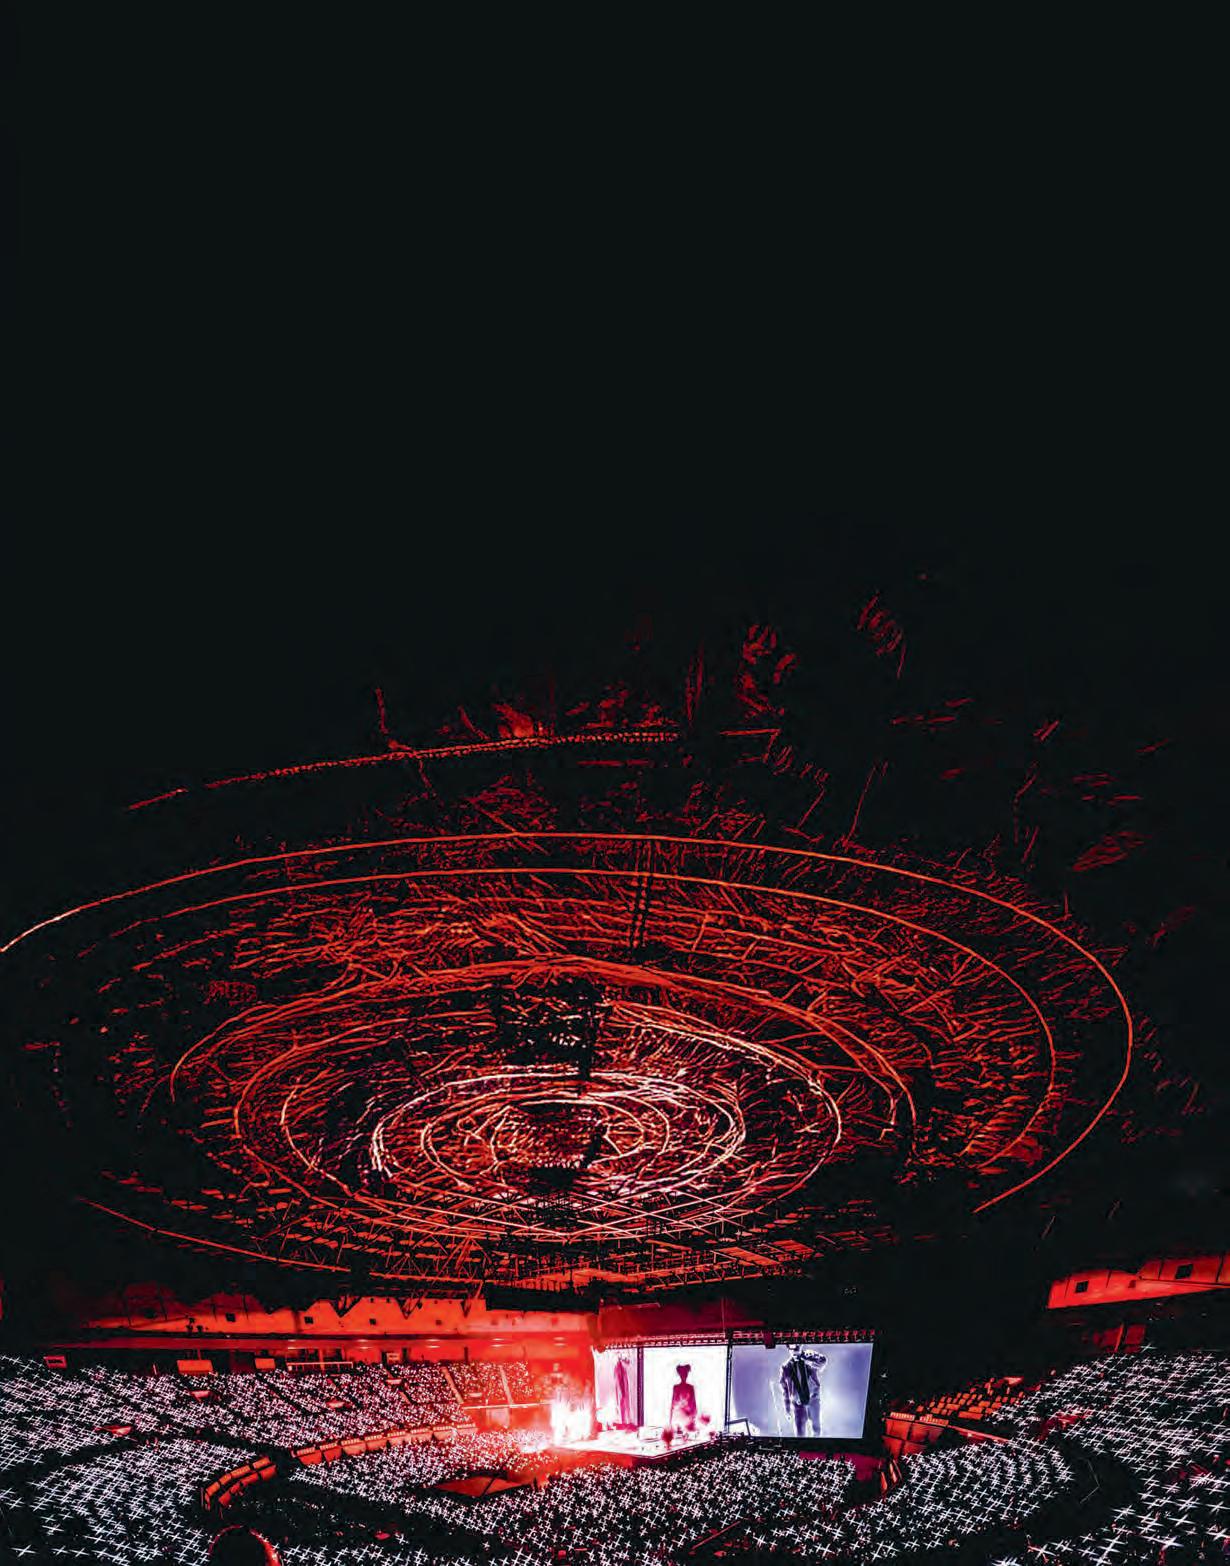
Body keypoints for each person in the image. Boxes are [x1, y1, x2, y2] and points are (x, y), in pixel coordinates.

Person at [780, 1347, 827, 1437]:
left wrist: (809, 1359)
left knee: (816, 1430)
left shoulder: (809, 1357)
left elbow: (823, 1361)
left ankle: (816, 1446)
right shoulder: (786, 1367)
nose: (795, 1352)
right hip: (798, 1404)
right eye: (792, 1350)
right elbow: (785, 1390)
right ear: (789, 1349)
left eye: (797, 1349)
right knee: (800, 1434)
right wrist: (787, 1409)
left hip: (813, 1400)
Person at [669, 1363, 698, 1434]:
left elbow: (693, 1403)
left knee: (687, 1434)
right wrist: (670, 1420)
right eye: (682, 1374)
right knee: (679, 1433)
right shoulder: (676, 1387)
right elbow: (673, 1404)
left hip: (687, 1416)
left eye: (685, 1374)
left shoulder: (690, 1387)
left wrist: (693, 1417)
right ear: (680, 1375)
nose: (684, 1376)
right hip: (678, 1416)